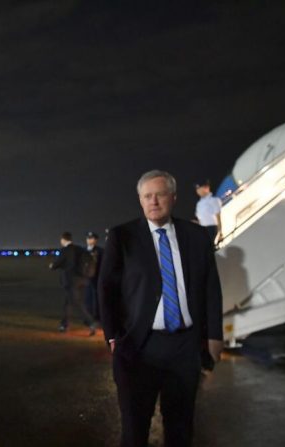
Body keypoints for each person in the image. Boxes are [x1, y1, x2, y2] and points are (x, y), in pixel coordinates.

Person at [98, 170, 224, 447]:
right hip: (139, 347)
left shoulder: (196, 236)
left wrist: (214, 334)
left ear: (173, 198)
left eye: (160, 194)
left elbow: (210, 288)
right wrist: (112, 336)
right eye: (147, 196)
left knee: (180, 429)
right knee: (134, 430)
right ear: (141, 201)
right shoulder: (123, 237)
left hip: (184, 347)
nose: (153, 201)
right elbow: (106, 290)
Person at [49, 231, 93, 334]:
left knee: (77, 303)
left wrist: (52, 266)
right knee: (69, 303)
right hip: (83, 280)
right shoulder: (79, 248)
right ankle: (64, 325)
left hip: (71, 282)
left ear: (63, 240)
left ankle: (91, 323)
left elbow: (58, 263)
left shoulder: (65, 250)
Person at [82, 231, 104, 335]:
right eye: (88, 238)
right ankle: (88, 319)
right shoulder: (83, 251)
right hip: (86, 280)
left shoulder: (100, 251)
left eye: (92, 238)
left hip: (96, 279)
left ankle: (97, 319)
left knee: (97, 299)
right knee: (87, 299)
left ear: (96, 240)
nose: (89, 240)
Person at [194, 179, 223, 244]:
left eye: (200, 188)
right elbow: (200, 219)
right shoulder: (199, 204)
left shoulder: (214, 200)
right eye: (197, 189)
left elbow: (218, 217)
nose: (198, 191)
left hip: (211, 228)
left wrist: (220, 232)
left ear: (206, 187)